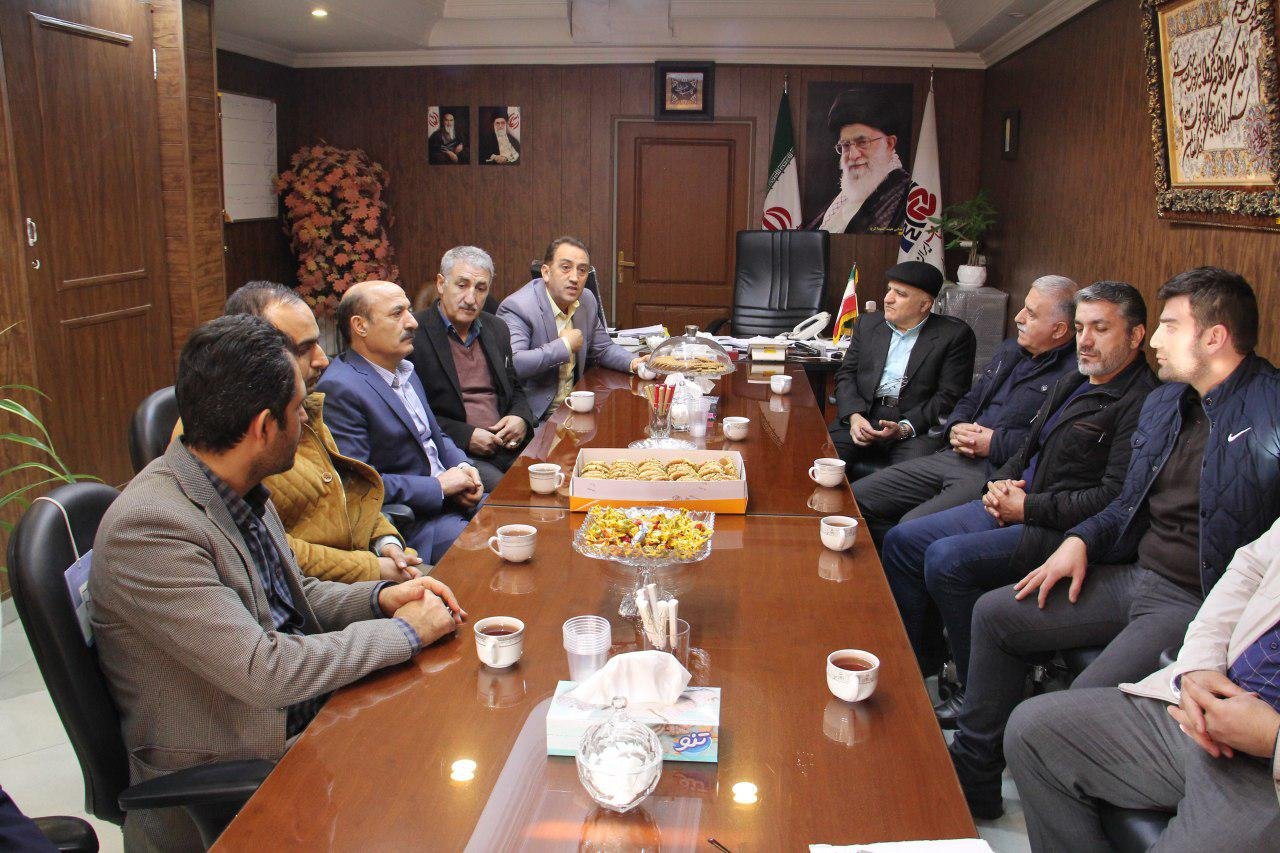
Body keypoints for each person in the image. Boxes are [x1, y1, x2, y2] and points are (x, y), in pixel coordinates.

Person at [90, 315, 466, 850]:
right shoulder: (152, 529)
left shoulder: (237, 484)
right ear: (265, 428)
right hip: (242, 768)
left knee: (455, 714)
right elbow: (263, 670)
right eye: (298, 410)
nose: (306, 421)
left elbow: (296, 596)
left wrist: (381, 599)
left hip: (305, 714)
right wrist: (404, 633)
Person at [948, 267, 1280, 820]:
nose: (1154, 339)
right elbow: (1127, 503)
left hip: (1196, 600)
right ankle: (972, 779)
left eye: (1169, 326)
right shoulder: (1168, 402)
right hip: (1135, 573)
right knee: (995, 614)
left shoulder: (1270, 414)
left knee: (1067, 715)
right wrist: (1081, 538)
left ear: (1214, 337)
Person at [879, 282, 1157, 721]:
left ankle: (978, 691)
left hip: (1058, 529)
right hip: (1015, 501)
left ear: (1136, 335)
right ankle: (922, 662)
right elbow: (1028, 446)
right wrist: (999, 484)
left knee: (946, 560)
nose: (1085, 341)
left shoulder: (1142, 402)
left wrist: (1026, 508)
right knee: (901, 541)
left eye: (1100, 329)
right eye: (1081, 328)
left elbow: (1114, 498)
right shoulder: (1075, 379)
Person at [1006, 514, 1280, 851]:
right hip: (1204, 706)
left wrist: (1271, 737)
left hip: (1264, 772)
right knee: (1031, 732)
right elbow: (1250, 568)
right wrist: (1200, 664)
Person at [214, 281, 425, 583]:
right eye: (303, 349)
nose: (323, 360)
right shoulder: (227, 433)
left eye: (317, 343)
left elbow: (349, 488)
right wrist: (373, 568)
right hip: (318, 589)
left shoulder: (307, 407)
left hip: (369, 567)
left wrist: (385, 541)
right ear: (253, 354)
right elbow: (266, 545)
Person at [853, 275, 1080, 545]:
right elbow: (970, 399)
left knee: (910, 528)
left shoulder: (1074, 376)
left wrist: (995, 443)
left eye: (1030, 314)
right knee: (854, 499)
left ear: (1058, 330)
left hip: (995, 472)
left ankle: (897, 554)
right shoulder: (1010, 350)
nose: (1018, 317)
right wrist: (956, 425)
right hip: (954, 454)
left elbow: (1052, 445)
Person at [317, 281, 484, 564]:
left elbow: (434, 435)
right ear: (360, 326)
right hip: (415, 522)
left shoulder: (404, 369)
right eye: (397, 313)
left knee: (527, 520)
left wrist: (464, 468)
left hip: (454, 500)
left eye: (408, 310)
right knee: (488, 556)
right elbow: (360, 484)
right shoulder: (340, 388)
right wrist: (439, 486)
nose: (412, 322)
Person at [828, 260, 976, 480]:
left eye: (900, 294)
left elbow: (949, 395)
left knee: (902, 483)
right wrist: (854, 416)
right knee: (823, 466)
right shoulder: (867, 324)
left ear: (924, 304)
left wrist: (905, 428)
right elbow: (846, 374)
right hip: (864, 414)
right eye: (889, 290)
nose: (888, 299)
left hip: (915, 427)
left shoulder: (954, 335)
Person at [410, 247, 536, 491]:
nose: (471, 298)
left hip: (508, 446)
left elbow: (516, 389)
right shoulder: (414, 334)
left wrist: (521, 418)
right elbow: (412, 412)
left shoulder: (497, 328)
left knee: (556, 479)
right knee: (510, 494)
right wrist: (466, 436)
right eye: (462, 285)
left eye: (480, 288)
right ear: (441, 284)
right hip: (458, 452)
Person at [498, 236, 644, 420]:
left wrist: (634, 363)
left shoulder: (586, 300)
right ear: (546, 272)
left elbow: (603, 348)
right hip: (535, 417)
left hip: (575, 409)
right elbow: (514, 364)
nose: (575, 278)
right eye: (566, 267)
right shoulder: (519, 307)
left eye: (582, 270)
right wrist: (565, 346)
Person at [808, 88, 911, 234]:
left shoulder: (906, 197)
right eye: (845, 145)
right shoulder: (843, 198)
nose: (853, 155)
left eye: (862, 142)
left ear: (889, 144)